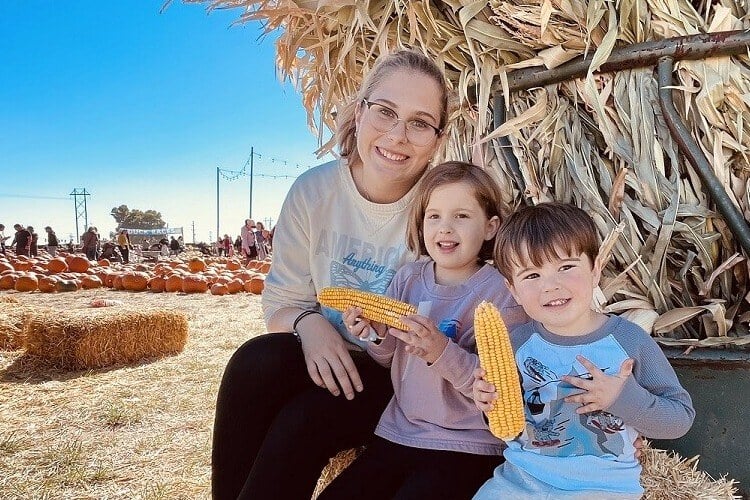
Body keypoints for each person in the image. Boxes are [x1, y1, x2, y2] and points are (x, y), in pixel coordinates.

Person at [211, 49, 452, 500]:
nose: (397, 136)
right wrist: (310, 324)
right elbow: (281, 300)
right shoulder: (313, 191)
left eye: (420, 122)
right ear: (360, 113)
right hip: (321, 352)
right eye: (385, 112)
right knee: (253, 362)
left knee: (304, 420)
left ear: (437, 139)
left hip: (395, 378)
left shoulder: (440, 208)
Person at [319, 162, 528, 499]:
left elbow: (502, 384)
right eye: (434, 216)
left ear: (490, 227)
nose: (445, 228)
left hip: (466, 446)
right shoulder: (408, 279)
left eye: (461, 216)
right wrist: (375, 332)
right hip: (398, 433)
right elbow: (387, 359)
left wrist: (440, 351)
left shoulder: (502, 293)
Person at [472, 203, 695, 500]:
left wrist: (621, 398)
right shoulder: (517, 344)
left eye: (565, 267)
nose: (550, 285)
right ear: (512, 289)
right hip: (521, 481)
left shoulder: (628, 341)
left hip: (603, 488)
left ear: (595, 269)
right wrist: (490, 406)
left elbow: (679, 419)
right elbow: (508, 430)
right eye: (531, 275)